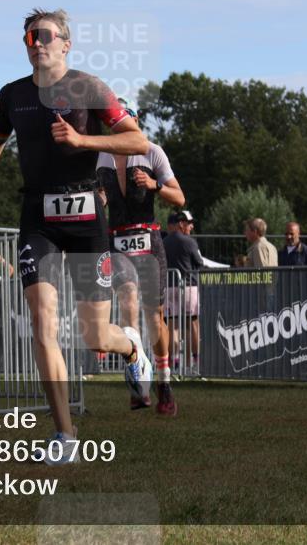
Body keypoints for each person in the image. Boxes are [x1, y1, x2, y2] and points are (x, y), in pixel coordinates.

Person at [0, 7, 151, 464]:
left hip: (86, 215)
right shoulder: (11, 95)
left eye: (44, 35)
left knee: (94, 337)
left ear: (65, 43)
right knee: (42, 320)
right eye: (28, 37)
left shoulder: (88, 88)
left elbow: (138, 141)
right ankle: (65, 437)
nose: (35, 42)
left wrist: (83, 143)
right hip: (38, 216)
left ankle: (131, 349)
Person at [96, 99, 185, 415]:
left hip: (148, 240)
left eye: (122, 122)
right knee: (128, 306)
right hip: (117, 240)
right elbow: (100, 194)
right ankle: (138, 380)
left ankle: (164, 382)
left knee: (154, 315)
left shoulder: (151, 151)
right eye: (112, 123)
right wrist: (99, 200)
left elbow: (179, 196)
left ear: (133, 123)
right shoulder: (101, 156)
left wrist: (154, 184)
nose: (116, 128)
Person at [164, 210, 204, 375]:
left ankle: (173, 364)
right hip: (188, 286)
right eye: (189, 223)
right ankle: (194, 364)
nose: (191, 226)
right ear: (181, 224)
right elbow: (199, 262)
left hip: (169, 286)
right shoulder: (189, 242)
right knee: (192, 325)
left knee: (172, 326)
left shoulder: (165, 241)